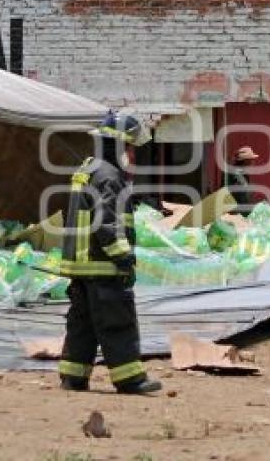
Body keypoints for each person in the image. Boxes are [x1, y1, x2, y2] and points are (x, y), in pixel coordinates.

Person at [57, 112, 162, 394]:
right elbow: (107, 223)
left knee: (83, 325)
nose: (131, 154)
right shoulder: (108, 176)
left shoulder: (88, 169)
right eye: (129, 147)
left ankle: (73, 376)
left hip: (81, 266)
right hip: (102, 265)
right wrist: (124, 258)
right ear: (118, 146)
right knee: (118, 320)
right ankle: (130, 379)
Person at [226, 146, 259, 216]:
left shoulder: (243, 174)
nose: (253, 162)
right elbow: (241, 197)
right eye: (251, 160)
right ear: (245, 161)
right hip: (236, 214)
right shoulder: (236, 175)